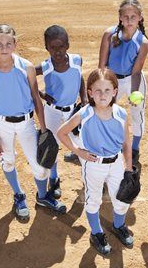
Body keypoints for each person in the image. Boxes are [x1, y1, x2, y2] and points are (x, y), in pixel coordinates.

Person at [0, 24, 66, 221]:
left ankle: (42, 196)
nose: (4, 48)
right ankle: (19, 195)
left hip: (26, 123)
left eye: (8, 43)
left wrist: (43, 128)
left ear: (15, 44)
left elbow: (36, 99)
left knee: (39, 165)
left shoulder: (26, 67)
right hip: (2, 125)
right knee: (8, 160)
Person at [57, 68, 134, 255]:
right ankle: (96, 233)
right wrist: (77, 152)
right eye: (97, 90)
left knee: (122, 200)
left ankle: (118, 225)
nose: (102, 95)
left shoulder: (122, 114)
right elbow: (61, 132)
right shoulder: (85, 113)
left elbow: (126, 143)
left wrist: (129, 168)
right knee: (93, 201)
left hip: (116, 163)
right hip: (93, 164)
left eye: (107, 90)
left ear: (115, 91)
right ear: (90, 93)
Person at [35, 25, 87, 199]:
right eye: (52, 48)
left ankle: (88, 179)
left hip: (73, 111)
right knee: (52, 146)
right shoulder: (46, 66)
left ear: (68, 45)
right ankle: (54, 178)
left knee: (81, 143)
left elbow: (80, 78)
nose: (57, 52)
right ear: (46, 48)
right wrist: (41, 95)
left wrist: (84, 100)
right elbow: (26, 78)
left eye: (61, 47)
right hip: (52, 113)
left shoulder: (77, 60)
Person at [98, 0, 148, 165]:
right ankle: (102, 143)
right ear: (120, 17)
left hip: (132, 80)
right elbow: (102, 65)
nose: (129, 20)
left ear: (140, 17)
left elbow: (136, 71)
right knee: (103, 111)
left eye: (133, 16)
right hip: (111, 80)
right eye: (125, 16)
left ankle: (134, 148)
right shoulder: (109, 34)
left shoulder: (143, 42)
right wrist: (102, 86)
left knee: (136, 114)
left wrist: (135, 92)